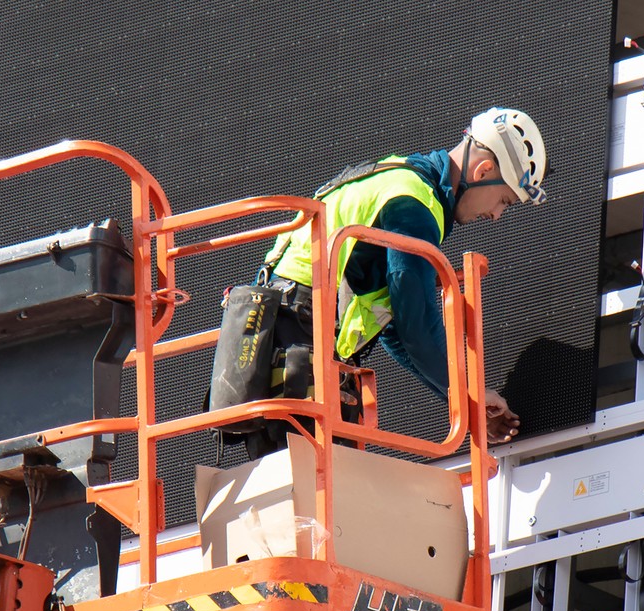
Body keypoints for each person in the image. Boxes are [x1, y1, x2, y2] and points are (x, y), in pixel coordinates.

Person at [217, 107, 545, 454]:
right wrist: (472, 394)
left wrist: (465, 401)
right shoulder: (414, 202)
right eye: (504, 200)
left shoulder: (398, 176)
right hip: (299, 338)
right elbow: (415, 324)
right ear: (484, 170)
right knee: (317, 486)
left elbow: (394, 330)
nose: (495, 215)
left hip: (278, 341)